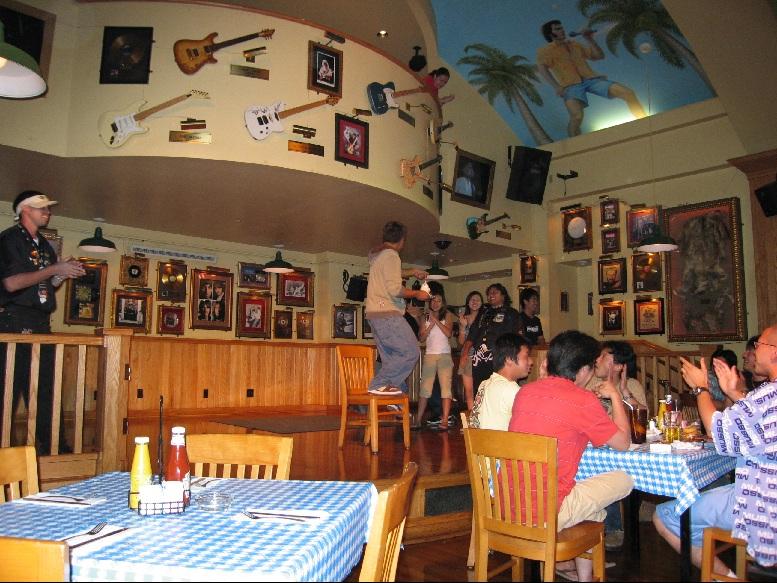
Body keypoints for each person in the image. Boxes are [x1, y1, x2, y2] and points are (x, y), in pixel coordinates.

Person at [509, 330, 634, 582]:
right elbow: (623, 443)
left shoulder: (524, 392)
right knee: (625, 479)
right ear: (583, 370)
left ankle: (583, 577)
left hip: (509, 506)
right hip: (546, 511)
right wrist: (616, 396)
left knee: (591, 506)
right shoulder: (582, 399)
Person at [654, 325, 777, 573]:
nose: (753, 350)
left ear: (774, 352)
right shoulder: (768, 397)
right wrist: (733, 392)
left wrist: (701, 389)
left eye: (759, 345)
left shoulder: (768, 394)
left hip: (762, 501)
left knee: (665, 516)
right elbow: (759, 425)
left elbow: (716, 430)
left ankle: (724, 577)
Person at [0, 190, 86, 455]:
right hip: (13, 323)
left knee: (45, 390)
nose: (48, 212)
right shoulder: (10, 239)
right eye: (42, 208)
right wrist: (54, 269)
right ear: (24, 209)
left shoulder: (45, 246)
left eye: (48, 208)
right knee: (8, 390)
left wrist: (62, 275)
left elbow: (47, 285)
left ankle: (54, 449)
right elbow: (11, 283)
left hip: (40, 323)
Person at [585, 340, 648, 551]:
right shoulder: (590, 382)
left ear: (619, 365)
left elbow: (643, 419)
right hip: (594, 448)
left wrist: (622, 392)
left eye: (603, 356)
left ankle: (615, 527)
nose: (597, 360)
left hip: (624, 450)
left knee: (611, 472)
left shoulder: (632, 385)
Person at [537, 20, 646, 137]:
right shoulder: (545, 51)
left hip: (591, 79)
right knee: (576, 117)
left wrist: (589, 39)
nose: (562, 30)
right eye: (557, 29)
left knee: (628, 93)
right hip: (570, 85)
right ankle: (576, 144)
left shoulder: (575, 44)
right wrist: (556, 87)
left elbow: (599, 56)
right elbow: (542, 68)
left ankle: (645, 124)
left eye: (561, 28)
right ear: (550, 34)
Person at [365, 221, 429, 395]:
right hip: (387, 314)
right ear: (402, 240)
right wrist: (417, 294)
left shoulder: (379, 256)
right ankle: (377, 384)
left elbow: (390, 274)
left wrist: (412, 271)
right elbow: (395, 289)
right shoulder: (392, 256)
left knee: (391, 360)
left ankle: (394, 399)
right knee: (411, 352)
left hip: (374, 316)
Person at [460, 283, 521, 395]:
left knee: (498, 390)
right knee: (480, 390)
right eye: (488, 293)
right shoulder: (483, 313)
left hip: (500, 359)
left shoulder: (512, 313)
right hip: (480, 359)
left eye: (494, 292)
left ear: (503, 295)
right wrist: (464, 353)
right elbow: (472, 334)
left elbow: (517, 338)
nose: (490, 295)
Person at [469, 333, 532, 430]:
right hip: (500, 440)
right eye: (527, 356)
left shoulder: (484, 384)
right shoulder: (511, 389)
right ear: (509, 359)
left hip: (480, 439)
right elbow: (531, 423)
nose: (531, 362)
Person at [416, 290, 455, 431]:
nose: (436, 303)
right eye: (433, 300)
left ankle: (444, 420)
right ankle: (418, 420)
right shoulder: (424, 317)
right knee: (425, 388)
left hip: (444, 355)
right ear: (429, 302)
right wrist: (430, 324)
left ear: (443, 303)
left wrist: (436, 320)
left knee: (446, 388)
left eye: (439, 301)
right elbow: (421, 338)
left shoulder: (448, 315)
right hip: (430, 355)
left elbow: (448, 333)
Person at [457, 290, 484, 411]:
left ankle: (482, 416)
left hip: (482, 358)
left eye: (478, 299)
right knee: (469, 390)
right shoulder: (464, 318)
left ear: (482, 303)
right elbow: (461, 342)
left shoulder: (484, 318)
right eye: (472, 299)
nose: (475, 302)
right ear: (468, 302)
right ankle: (471, 418)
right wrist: (463, 326)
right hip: (467, 356)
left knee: (481, 389)